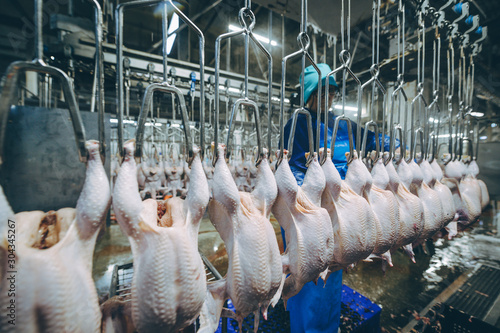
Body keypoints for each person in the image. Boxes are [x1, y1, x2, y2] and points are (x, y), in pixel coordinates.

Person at [282, 63, 392, 333]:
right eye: (321, 92)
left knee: (332, 278)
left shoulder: (342, 125)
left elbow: (375, 139)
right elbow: (289, 171)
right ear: (308, 94)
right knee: (308, 282)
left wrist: (396, 146)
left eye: (331, 91)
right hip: (308, 214)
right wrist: (319, 186)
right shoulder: (297, 124)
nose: (328, 97)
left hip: (338, 214)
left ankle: (328, 328)